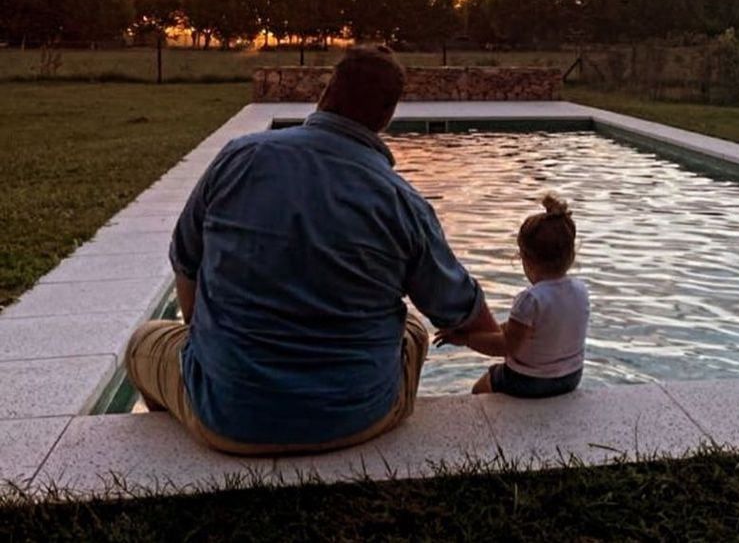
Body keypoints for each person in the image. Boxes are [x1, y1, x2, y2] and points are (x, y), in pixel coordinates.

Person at [125, 45, 499, 455]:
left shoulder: (240, 158)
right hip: (358, 419)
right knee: (410, 328)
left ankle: (178, 455)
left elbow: (185, 261)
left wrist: (203, 336)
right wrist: (514, 349)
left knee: (144, 341)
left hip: (229, 415)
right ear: (387, 116)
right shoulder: (401, 202)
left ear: (326, 92)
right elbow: (464, 312)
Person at [437, 194, 589, 398]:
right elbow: (528, 330)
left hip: (529, 382)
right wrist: (481, 330)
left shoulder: (531, 299)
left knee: (479, 389)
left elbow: (506, 346)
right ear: (571, 255)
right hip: (570, 378)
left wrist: (466, 339)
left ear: (525, 258)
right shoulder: (580, 291)